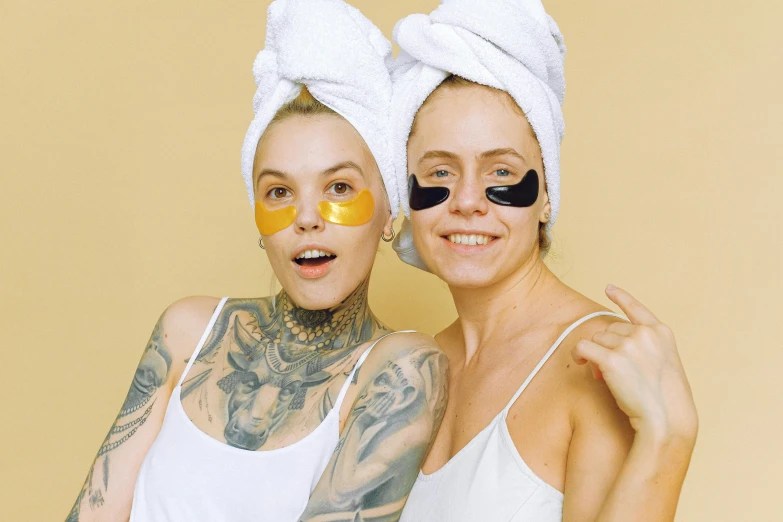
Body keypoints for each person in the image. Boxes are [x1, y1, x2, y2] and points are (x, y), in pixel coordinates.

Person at [65, 1, 447, 521]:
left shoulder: (400, 370)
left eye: (338, 187)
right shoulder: (186, 331)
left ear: (387, 214)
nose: (306, 217)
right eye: (278, 191)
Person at [389, 0, 698, 520]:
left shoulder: (596, 364)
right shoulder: (408, 368)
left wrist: (670, 436)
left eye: (501, 173)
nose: (467, 200)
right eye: (440, 173)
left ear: (546, 194)